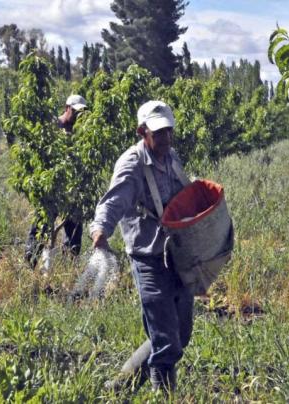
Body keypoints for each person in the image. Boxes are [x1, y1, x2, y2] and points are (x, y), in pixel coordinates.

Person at [90, 100, 194, 393]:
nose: (166, 138)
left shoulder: (171, 157)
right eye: (158, 133)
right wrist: (100, 230)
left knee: (180, 333)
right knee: (166, 340)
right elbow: (114, 200)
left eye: (169, 131)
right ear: (142, 132)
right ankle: (164, 395)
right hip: (148, 257)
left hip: (176, 253)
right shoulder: (132, 164)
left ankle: (120, 387)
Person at [24, 94, 87, 268]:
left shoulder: (83, 131)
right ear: (67, 108)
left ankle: (69, 270)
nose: (78, 115)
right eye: (75, 111)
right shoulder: (52, 125)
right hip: (50, 188)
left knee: (74, 231)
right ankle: (30, 265)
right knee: (41, 226)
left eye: (82, 112)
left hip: (73, 189)